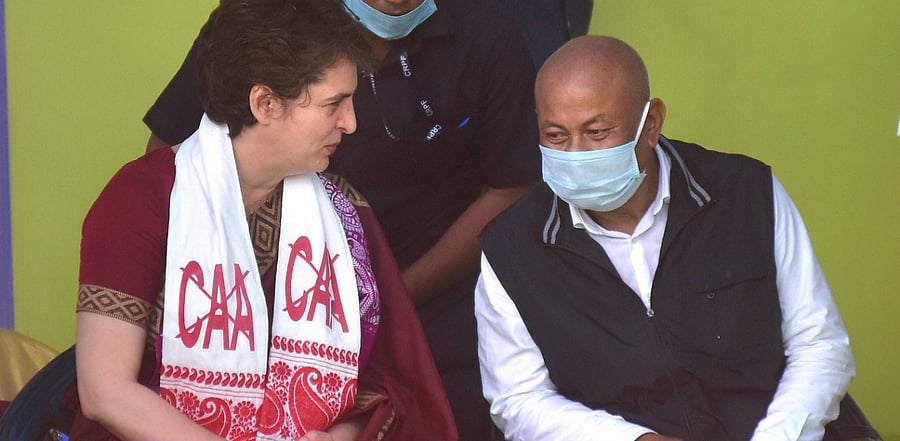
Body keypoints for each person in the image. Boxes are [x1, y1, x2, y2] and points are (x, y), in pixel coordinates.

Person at [142, 0, 542, 438]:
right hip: (268, 285)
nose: (349, 124)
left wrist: (386, 301)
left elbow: (510, 188)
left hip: (430, 286)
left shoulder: (485, 35)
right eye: (334, 104)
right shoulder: (264, 22)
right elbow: (171, 163)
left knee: (444, 409)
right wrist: (239, 279)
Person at [71, 0, 456, 439]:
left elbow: (386, 383)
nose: (350, 123)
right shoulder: (143, 198)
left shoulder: (346, 213)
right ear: (265, 103)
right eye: (334, 104)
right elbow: (104, 390)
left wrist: (336, 437)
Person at [474, 35, 855, 441]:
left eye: (597, 132)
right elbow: (518, 397)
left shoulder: (747, 194)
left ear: (651, 123)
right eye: (555, 136)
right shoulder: (512, 248)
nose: (577, 154)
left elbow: (818, 344)